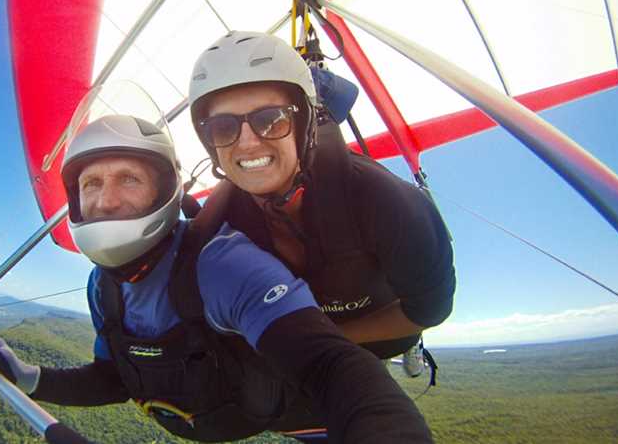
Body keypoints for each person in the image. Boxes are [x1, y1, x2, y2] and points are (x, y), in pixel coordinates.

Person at [0, 114, 433, 443]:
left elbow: (332, 366)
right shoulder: (104, 286)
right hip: (214, 412)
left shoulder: (221, 264)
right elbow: (117, 377)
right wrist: (29, 377)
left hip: (296, 417)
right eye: (91, 183)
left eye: (129, 179)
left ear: (166, 191)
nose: (107, 199)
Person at [188, 31, 456, 375]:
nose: (248, 143)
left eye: (271, 120)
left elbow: (431, 309)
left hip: (387, 334)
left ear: (304, 126)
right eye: (223, 127)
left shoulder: (389, 203)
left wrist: (325, 340)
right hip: (303, 338)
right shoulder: (219, 217)